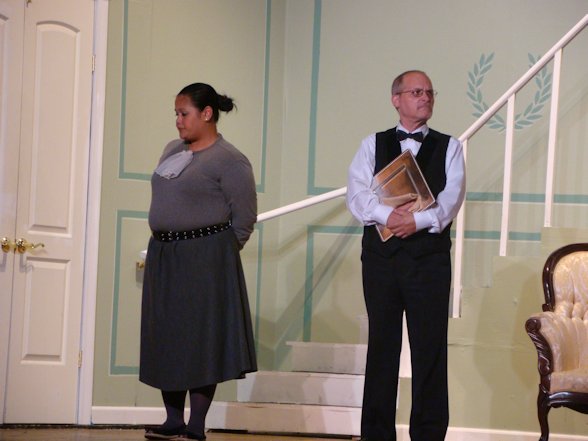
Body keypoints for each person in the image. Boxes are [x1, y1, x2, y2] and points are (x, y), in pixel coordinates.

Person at [346, 70, 466, 441]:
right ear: (396, 99)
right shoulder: (372, 143)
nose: (425, 97)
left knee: (430, 349)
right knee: (382, 347)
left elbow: (452, 198)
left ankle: (428, 435)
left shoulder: (450, 146)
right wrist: (389, 216)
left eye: (429, 92)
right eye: (416, 92)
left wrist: (417, 220)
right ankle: (377, 434)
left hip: (429, 261)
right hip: (381, 261)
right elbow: (357, 193)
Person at [140, 82, 258, 440]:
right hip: (165, 255)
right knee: (168, 336)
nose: (178, 120)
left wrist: (214, 256)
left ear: (207, 114)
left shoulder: (230, 160)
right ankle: (173, 420)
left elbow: (244, 219)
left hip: (205, 258)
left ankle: (195, 425)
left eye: (184, 113)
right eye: (176, 114)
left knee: (200, 340)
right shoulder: (171, 150)